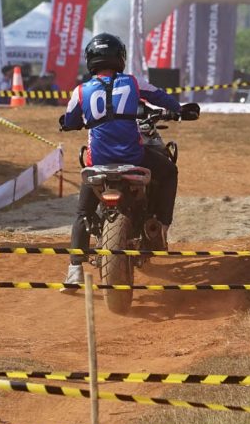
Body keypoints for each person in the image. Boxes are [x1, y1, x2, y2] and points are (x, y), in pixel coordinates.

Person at [58, 33, 198, 287]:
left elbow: (69, 120)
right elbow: (161, 97)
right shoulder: (133, 82)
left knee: (83, 211)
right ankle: (162, 225)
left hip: (97, 160)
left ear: (90, 60)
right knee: (168, 172)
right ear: (120, 57)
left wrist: (70, 124)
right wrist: (179, 109)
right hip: (134, 156)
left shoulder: (80, 91)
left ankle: (74, 270)